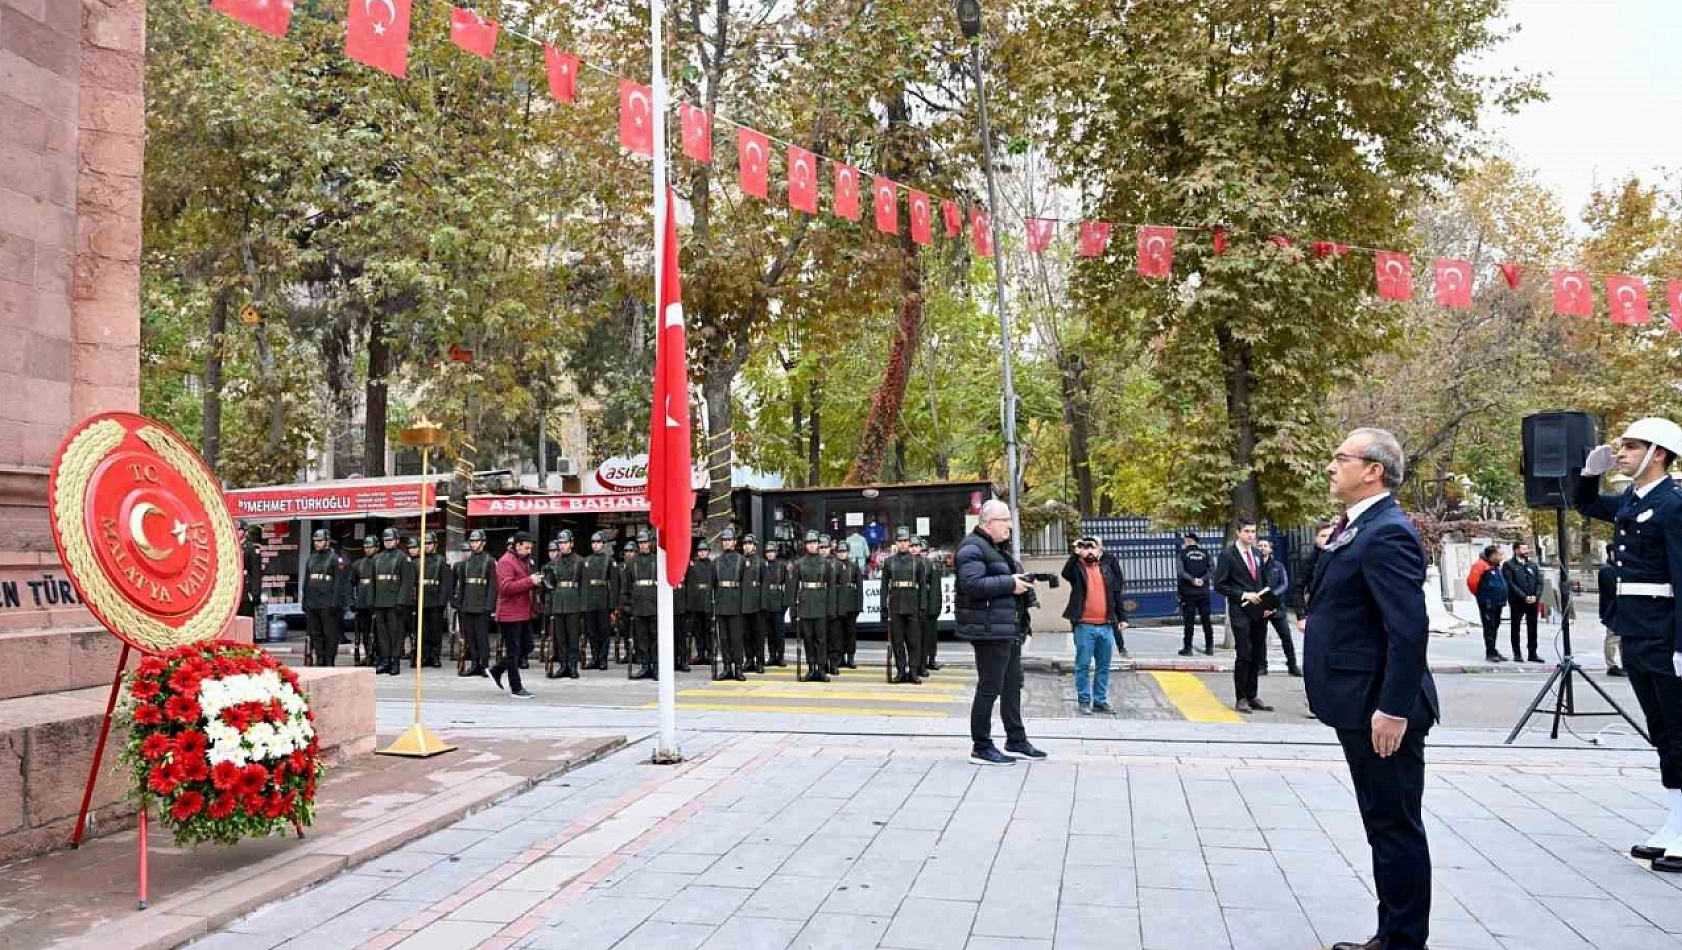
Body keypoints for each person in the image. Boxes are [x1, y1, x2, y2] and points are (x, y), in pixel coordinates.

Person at [1305, 427, 1438, 950]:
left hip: (1379, 708)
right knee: (1382, 825)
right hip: (1358, 702)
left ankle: (1404, 942)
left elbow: (1408, 629)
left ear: (1374, 470)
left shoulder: (1387, 530)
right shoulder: (1355, 527)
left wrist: (1393, 708)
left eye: (1342, 457)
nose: (1332, 466)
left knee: (1395, 828)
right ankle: (1391, 935)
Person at [1576, 417, 1682, 870]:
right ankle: (1675, 821)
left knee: (1679, 731)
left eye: (1631, 447)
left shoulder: (1674, 505)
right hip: (1636, 628)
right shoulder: (1633, 500)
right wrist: (1587, 473)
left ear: (1658, 453)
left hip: (1663, 630)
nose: (1620, 453)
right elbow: (1584, 504)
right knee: (1661, 730)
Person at [955, 499, 1045, 766]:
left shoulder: (994, 548)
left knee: (1011, 684)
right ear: (988, 523)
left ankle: (1015, 739)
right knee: (989, 687)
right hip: (988, 629)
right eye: (1005, 520)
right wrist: (1010, 583)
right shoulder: (972, 547)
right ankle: (981, 746)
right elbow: (971, 584)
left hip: (1007, 627)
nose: (1010, 526)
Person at [1060, 535, 1127, 715]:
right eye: (1085, 547)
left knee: (1104, 665)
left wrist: (1122, 617)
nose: (1089, 550)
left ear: (1099, 551)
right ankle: (1084, 700)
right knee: (1083, 664)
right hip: (1084, 625)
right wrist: (1076, 554)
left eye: (1092, 547)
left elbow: (1116, 593)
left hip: (1106, 625)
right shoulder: (1077, 569)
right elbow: (1065, 573)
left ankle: (1100, 700)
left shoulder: (1106, 569)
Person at [1213, 520, 1274, 713]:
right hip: (1240, 610)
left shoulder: (1256, 553)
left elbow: (1261, 580)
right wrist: (1243, 595)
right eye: (1247, 531)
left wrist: (1269, 604)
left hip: (1258, 609)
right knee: (1244, 654)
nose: (1251, 535)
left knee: (1257, 653)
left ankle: (1252, 695)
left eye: (1253, 531)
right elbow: (1220, 585)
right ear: (1238, 533)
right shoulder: (1228, 555)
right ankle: (1241, 698)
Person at [489, 531, 542, 698]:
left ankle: (497, 670)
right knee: (513, 651)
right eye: (526, 548)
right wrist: (530, 581)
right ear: (517, 545)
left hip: (523, 612)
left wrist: (536, 581)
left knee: (527, 647)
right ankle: (516, 687)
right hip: (509, 614)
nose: (529, 551)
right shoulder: (506, 562)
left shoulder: (523, 561)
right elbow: (505, 588)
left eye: (530, 548)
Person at [883, 527, 927, 684]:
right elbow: (884, 586)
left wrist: (922, 607)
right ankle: (901, 671)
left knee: (914, 641)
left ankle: (913, 671)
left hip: (912, 605)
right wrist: (883, 606)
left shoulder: (918, 562)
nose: (903, 544)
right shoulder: (889, 562)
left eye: (905, 541)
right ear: (896, 543)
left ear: (909, 542)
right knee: (897, 641)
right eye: (900, 541)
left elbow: (922, 586)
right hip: (895, 605)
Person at [301, 529, 349, 666]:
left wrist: (335, 603)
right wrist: (305, 602)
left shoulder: (335, 558)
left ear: (327, 542)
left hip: (328, 604)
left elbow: (339, 584)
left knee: (330, 634)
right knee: (316, 634)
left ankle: (329, 659)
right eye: (315, 541)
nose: (317, 544)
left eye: (320, 541)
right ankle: (320, 657)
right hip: (313, 603)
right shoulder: (311, 559)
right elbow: (306, 583)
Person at [370, 528, 414, 676]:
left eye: (390, 540)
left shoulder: (403, 558)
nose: (388, 543)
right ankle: (385, 660)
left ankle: (395, 661)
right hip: (380, 602)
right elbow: (373, 583)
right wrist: (372, 601)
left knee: (395, 634)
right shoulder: (377, 558)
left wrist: (401, 602)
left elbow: (407, 583)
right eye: (386, 540)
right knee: (381, 634)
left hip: (395, 602)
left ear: (397, 541)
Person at [454, 529, 497, 677]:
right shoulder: (465, 563)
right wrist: (459, 604)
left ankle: (484, 665)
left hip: (482, 605)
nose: (474, 544)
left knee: (481, 637)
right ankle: (474, 664)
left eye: (476, 541)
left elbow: (493, 586)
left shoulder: (489, 561)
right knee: (470, 637)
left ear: (483, 543)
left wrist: (489, 606)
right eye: (472, 541)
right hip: (468, 604)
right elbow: (462, 586)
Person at [1255, 539, 1301, 677]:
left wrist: (1271, 599)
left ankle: (1292, 665)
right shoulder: (1253, 566)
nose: (1262, 548)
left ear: (1270, 549)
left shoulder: (1278, 566)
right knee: (1259, 638)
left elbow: (1284, 584)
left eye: (1265, 546)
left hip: (1277, 607)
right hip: (1259, 606)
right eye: (1260, 546)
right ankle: (1262, 666)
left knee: (1286, 636)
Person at [544, 530, 585, 679]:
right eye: (560, 543)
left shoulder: (580, 561)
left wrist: (582, 606)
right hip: (559, 602)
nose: (562, 546)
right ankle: (563, 665)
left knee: (573, 637)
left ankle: (573, 666)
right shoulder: (554, 562)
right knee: (560, 638)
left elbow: (584, 585)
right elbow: (548, 582)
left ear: (571, 543)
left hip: (574, 602)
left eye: (565, 542)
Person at [792, 530, 830, 682]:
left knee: (821, 639)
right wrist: (793, 610)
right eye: (809, 543)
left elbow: (831, 588)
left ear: (818, 544)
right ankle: (811, 667)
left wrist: (831, 608)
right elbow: (793, 588)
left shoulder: (826, 563)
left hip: (820, 604)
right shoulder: (799, 563)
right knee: (807, 638)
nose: (812, 546)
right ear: (806, 545)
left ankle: (821, 669)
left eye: (814, 543)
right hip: (805, 604)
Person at [713, 529, 749, 681]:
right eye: (724, 540)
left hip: (736, 604)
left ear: (735, 542)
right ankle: (727, 667)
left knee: (736, 639)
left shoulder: (741, 561)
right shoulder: (716, 562)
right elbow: (713, 585)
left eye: (729, 540)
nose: (727, 542)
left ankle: (738, 668)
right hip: (722, 604)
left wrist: (744, 607)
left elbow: (745, 585)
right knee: (724, 639)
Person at [626, 531, 660, 680]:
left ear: (650, 543)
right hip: (638, 606)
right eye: (640, 543)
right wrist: (627, 606)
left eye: (645, 542)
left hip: (654, 605)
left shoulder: (657, 560)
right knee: (641, 639)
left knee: (655, 638)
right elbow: (626, 587)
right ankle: (644, 666)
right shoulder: (631, 563)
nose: (643, 545)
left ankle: (656, 667)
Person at [415, 532, 452, 668]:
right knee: (422, 631)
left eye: (429, 543)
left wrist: (442, 601)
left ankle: (435, 655)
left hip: (435, 599)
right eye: (424, 543)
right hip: (421, 599)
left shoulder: (441, 561)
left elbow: (446, 583)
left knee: (435, 631)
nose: (426, 546)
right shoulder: (418, 561)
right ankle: (424, 655)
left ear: (435, 545)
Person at [1502, 541, 1543, 663]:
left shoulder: (1532, 565)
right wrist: (1523, 596)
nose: (1527, 551)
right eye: (1524, 549)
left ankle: (1532, 653)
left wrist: (1536, 596)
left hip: (1533, 601)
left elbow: (1539, 581)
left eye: (1527, 549)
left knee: (1533, 627)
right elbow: (1510, 583)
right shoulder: (1509, 565)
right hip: (1517, 601)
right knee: (1516, 627)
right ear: (1516, 550)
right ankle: (1517, 653)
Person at [1177, 532, 1215, 657]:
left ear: (1189, 541)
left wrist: (1193, 580)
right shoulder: (1206, 554)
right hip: (1203, 592)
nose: (1184, 543)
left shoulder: (1182, 554)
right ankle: (1210, 647)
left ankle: (1188, 648)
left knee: (1189, 621)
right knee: (1206, 619)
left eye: (1185, 541)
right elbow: (1211, 570)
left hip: (1188, 592)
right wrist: (1202, 579)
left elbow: (1181, 572)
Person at [582, 531, 617, 670]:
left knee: (604, 632)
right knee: (591, 631)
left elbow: (614, 584)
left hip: (603, 598)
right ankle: (595, 657)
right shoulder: (586, 561)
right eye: (593, 542)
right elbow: (583, 583)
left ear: (603, 544)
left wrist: (612, 605)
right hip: (590, 599)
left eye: (598, 542)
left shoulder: (609, 560)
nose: (595, 545)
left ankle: (603, 659)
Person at [1470, 545, 1508, 662]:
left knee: (1494, 626)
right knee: (1489, 627)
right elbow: (1472, 582)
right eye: (1499, 555)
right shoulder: (1481, 565)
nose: (1501, 557)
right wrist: (1482, 596)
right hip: (1488, 602)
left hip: (1497, 602)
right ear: (1492, 555)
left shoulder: (1495, 567)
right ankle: (1490, 652)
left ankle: (1493, 649)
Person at [683, 540, 716, 673]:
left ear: (708, 552)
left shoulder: (713, 566)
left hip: (708, 600)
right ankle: (701, 653)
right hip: (696, 602)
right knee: (698, 631)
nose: (702, 553)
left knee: (709, 630)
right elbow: (689, 585)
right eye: (700, 551)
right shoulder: (693, 566)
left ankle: (710, 653)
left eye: (704, 550)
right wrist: (689, 604)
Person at [917, 537, 945, 675]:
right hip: (917, 606)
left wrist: (935, 608)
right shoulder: (915, 564)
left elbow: (935, 590)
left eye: (923, 551)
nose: (921, 553)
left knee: (931, 636)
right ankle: (920, 661)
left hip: (930, 606)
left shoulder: (931, 566)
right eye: (919, 550)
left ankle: (931, 659)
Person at [834, 539, 863, 669]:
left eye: (844, 551)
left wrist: (859, 606)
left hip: (851, 603)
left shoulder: (854, 566)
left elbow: (859, 587)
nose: (842, 554)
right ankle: (840, 657)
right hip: (838, 603)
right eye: (839, 551)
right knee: (838, 633)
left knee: (850, 632)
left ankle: (850, 657)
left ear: (848, 552)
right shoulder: (833, 566)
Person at [760, 540, 789, 667]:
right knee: (770, 632)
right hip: (767, 601)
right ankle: (772, 656)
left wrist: (785, 604)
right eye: (768, 552)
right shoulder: (763, 565)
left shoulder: (782, 566)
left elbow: (787, 585)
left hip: (778, 601)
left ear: (776, 552)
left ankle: (780, 656)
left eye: (772, 551)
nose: (770, 554)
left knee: (779, 632)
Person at [740, 533, 765, 674]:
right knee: (746, 635)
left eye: (749, 543)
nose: (747, 546)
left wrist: (763, 604)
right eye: (745, 544)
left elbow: (764, 584)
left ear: (754, 546)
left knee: (758, 635)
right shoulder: (740, 561)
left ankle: (759, 661)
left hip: (757, 604)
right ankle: (749, 659)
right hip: (744, 604)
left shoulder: (760, 562)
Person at [819, 535, 844, 675]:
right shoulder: (816, 563)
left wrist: (840, 608)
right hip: (820, 605)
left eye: (826, 547)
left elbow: (843, 589)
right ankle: (822, 663)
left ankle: (834, 663)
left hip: (835, 605)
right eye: (821, 547)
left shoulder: (838, 564)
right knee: (822, 638)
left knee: (835, 638)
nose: (823, 550)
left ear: (830, 548)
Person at [354, 535, 378, 667]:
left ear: (377, 548)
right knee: (364, 632)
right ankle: (368, 655)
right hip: (362, 603)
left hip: (376, 602)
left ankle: (377, 656)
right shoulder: (358, 564)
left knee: (378, 633)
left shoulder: (380, 562)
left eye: (371, 547)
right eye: (366, 547)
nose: (368, 550)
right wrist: (353, 602)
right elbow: (351, 583)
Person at [1600, 545, 1624, 677]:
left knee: (1621, 637)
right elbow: (1613, 590)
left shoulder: (1617, 568)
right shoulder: (1607, 570)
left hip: (1620, 608)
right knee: (1613, 637)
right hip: (1612, 608)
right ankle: (1611, 664)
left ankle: (1624, 662)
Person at [239, 524, 264, 618]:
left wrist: (256, 593)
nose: (237, 532)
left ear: (244, 532)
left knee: (247, 619)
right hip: (234, 590)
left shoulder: (251, 548)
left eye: (239, 530)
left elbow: (256, 572)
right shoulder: (232, 546)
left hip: (246, 589)